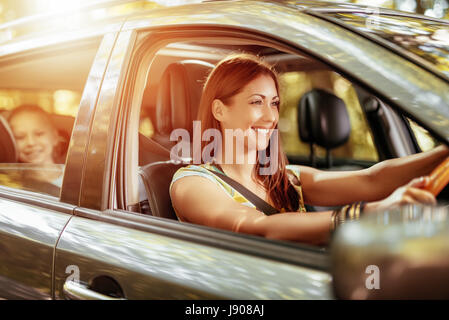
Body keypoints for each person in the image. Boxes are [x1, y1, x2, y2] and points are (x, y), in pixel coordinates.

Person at [169, 53, 449, 246]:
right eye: (256, 102)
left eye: (274, 103)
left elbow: (371, 180)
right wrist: (370, 213)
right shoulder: (191, 182)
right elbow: (254, 228)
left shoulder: (286, 178)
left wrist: (442, 154)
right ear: (219, 109)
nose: (271, 117)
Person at [8, 104, 64, 186]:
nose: (31, 142)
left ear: (55, 137)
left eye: (39, 134)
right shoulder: (11, 184)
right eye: (20, 137)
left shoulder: (76, 175)